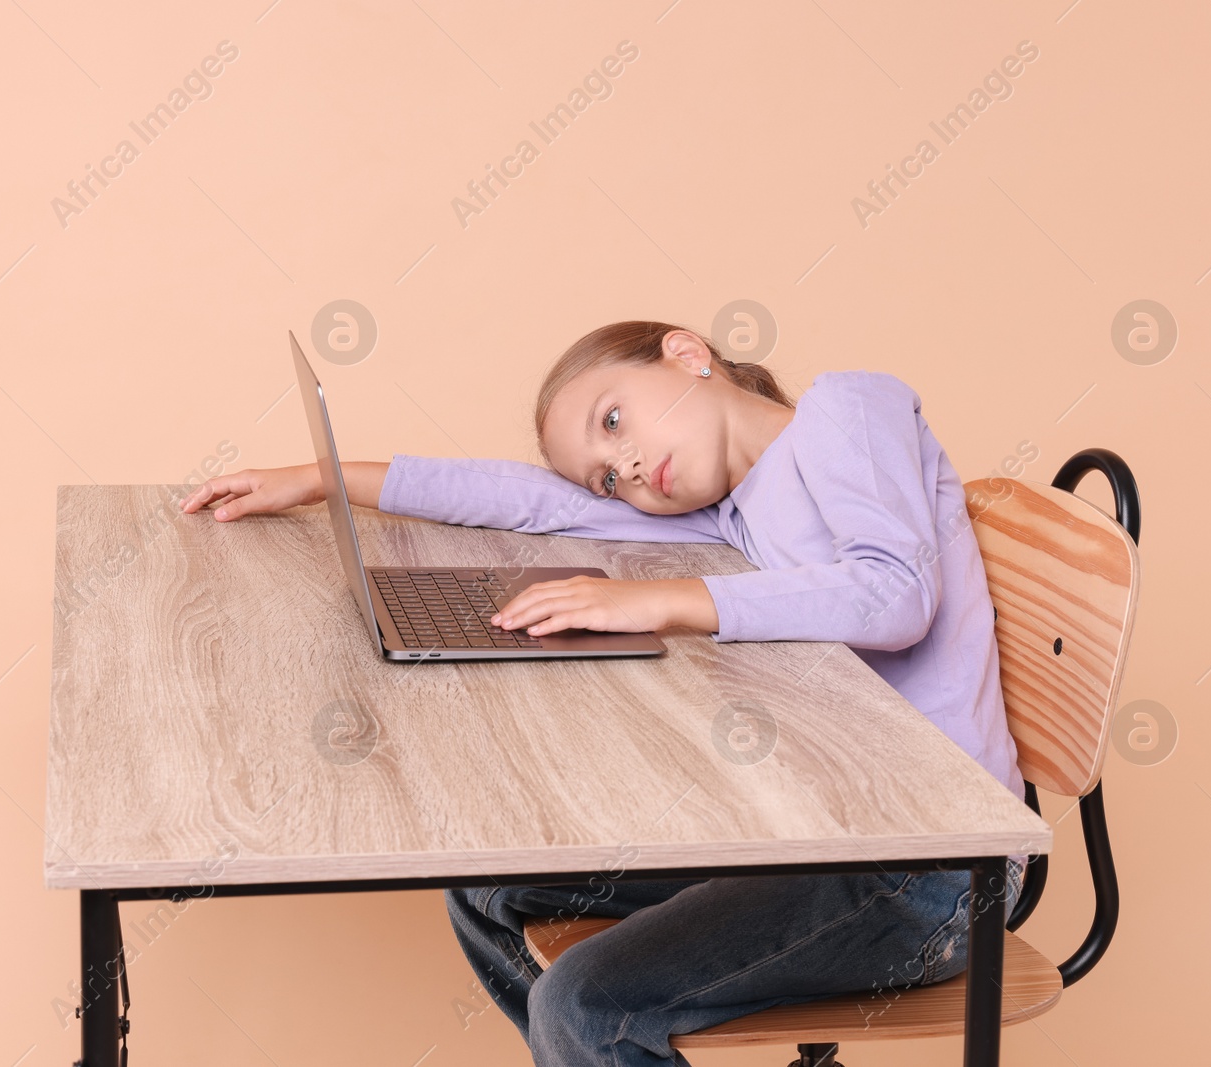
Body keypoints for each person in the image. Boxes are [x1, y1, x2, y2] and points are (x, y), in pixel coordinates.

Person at [180, 319, 1026, 1067]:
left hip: (936, 866)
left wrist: (662, 599)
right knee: (488, 890)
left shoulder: (847, 407)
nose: (624, 467)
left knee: (587, 1006)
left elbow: (896, 593)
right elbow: (531, 500)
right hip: (813, 828)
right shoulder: (719, 514)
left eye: (613, 420)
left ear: (688, 355)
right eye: (608, 480)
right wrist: (325, 478)